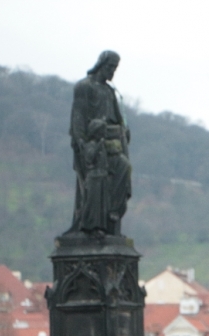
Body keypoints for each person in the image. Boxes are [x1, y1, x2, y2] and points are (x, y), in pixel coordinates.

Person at [68, 50, 132, 235]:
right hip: (93, 145)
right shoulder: (84, 87)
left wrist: (124, 130)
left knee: (124, 168)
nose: (112, 72)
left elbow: (118, 119)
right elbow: (78, 119)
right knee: (98, 181)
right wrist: (83, 144)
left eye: (115, 68)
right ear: (101, 65)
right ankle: (96, 223)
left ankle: (113, 211)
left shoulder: (110, 91)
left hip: (113, 143)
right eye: (110, 67)